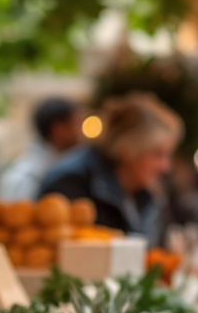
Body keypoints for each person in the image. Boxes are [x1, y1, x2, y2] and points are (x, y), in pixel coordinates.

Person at [40, 93, 182, 241]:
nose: (165, 166)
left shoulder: (144, 194)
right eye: (158, 154)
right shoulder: (71, 182)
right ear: (130, 150)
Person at [0, 97, 83, 201]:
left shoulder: (53, 166)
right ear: (58, 129)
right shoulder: (30, 176)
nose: (81, 133)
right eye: (77, 124)